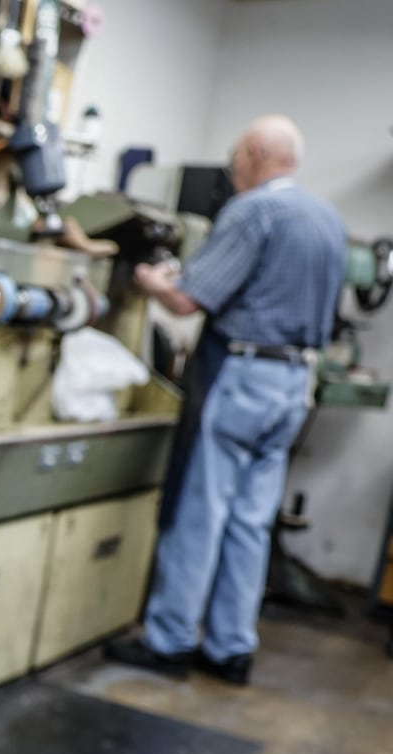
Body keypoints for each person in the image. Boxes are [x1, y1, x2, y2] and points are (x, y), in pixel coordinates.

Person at [107, 115, 344, 686]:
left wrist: (150, 282)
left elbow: (188, 301)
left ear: (259, 154)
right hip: (293, 386)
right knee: (251, 521)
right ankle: (231, 648)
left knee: (200, 511)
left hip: (241, 378)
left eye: (238, 157)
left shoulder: (254, 211)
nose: (233, 169)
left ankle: (169, 642)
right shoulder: (327, 219)